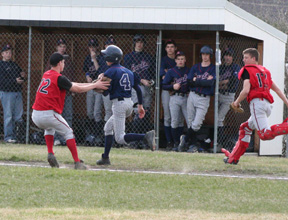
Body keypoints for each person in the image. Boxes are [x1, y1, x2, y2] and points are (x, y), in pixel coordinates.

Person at [32, 53, 110, 169]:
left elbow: (73, 84)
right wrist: (94, 86)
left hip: (35, 115)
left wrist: (91, 84)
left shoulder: (47, 74)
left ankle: (50, 153)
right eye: (63, 62)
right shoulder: (59, 78)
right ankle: (77, 162)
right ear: (59, 63)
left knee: (49, 128)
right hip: (48, 114)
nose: (64, 64)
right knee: (69, 132)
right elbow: (77, 89)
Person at [221, 48, 288, 164]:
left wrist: (236, 102)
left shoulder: (247, 70)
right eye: (243, 57)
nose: (243, 60)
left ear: (254, 58)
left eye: (246, 57)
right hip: (267, 105)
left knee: (265, 134)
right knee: (245, 128)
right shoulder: (264, 71)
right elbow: (277, 90)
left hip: (257, 105)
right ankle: (233, 158)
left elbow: (246, 91)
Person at [96, 45, 156, 165]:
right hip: (129, 103)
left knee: (120, 138)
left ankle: (145, 136)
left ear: (110, 58)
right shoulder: (128, 71)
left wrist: (97, 84)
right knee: (108, 128)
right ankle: (105, 158)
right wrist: (140, 105)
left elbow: (106, 92)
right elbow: (138, 89)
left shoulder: (110, 71)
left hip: (119, 105)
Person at [177, 45, 216, 153]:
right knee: (190, 121)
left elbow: (211, 83)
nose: (205, 56)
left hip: (204, 98)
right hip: (193, 95)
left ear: (210, 55)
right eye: (203, 54)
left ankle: (184, 139)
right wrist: (203, 81)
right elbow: (189, 80)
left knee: (197, 123)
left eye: (207, 54)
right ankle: (192, 145)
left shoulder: (213, 68)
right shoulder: (195, 67)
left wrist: (197, 80)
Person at [123, 34, 155, 138]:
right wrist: (141, 80)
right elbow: (128, 74)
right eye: (137, 42)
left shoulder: (148, 57)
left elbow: (153, 72)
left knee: (147, 111)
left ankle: (144, 139)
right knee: (138, 112)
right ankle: (135, 139)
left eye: (141, 42)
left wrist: (151, 82)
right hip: (136, 87)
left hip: (147, 88)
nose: (139, 44)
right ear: (134, 43)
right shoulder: (128, 57)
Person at [47, 39, 75, 146]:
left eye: (64, 46)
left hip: (66, 92)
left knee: (67, 116)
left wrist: (72, 90)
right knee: (56, 116)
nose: (62, 48)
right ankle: (57, 138)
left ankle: (66, 138)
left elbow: (71, 76)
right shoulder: (53, 60)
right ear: (56, 48)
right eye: (60, 46)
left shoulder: (68, 60)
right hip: (56, 94)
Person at [162, 51, 189, 150]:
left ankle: (183, 143)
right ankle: (175, 142)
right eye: (178, 59)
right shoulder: (171, 71)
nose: (180, 61)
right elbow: (164, 85)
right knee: (174, 121)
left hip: (186, 97)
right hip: (174, 97)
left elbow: (191, 83)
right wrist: (172, 86)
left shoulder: (188, 70)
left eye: (182, 59)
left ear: (185, 60)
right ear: (175, 60)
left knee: (185, 121)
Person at [160, 39, 184, 150]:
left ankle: (178, 141)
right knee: (168, 116)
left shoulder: (179, 60)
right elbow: (163, 77)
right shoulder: (163, 60)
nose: (170, 49)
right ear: (165, 49)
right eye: (168, 47)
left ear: (175, 48)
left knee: (178, 117)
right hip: (167, 91)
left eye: (172, 46)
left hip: (178, 92)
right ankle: (169, 141)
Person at [0, 44, 25, 143]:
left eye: (10, 52)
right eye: (6, 52)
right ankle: (8, 137)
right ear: (2, 54)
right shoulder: (1, 65)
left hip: (17, 92)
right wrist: (14, 81)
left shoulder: (14, 65)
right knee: (9, 115)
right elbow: (2, 82)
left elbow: (20, 76)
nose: (9, 54)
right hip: (7, 93)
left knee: (18, 116)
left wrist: (23, 76)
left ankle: (17, 136)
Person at [218, 48, 240, 147]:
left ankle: (220, 142)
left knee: (219, 118)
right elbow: (216, 82)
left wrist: (223, 83)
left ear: (232, 57)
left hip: (228, 96)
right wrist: (223, 83)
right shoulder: (220, 67)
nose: (227, 57)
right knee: (218, 118)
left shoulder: (235, 67)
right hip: (219, 94)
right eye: (226, 55)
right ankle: (219, 141)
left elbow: (234, 80)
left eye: (229, 55)